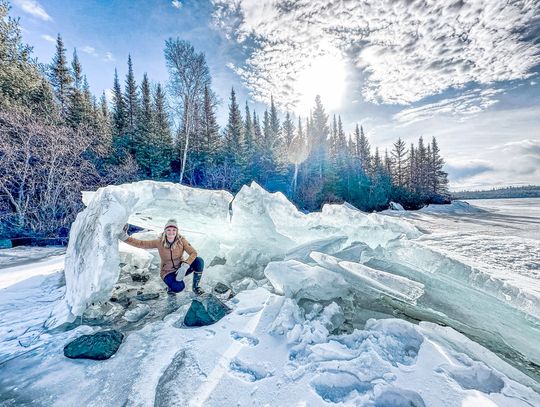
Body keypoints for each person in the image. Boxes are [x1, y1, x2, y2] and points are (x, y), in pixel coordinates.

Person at [118, 219, 205, 295]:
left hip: (181, 269)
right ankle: (171, 287)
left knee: (199, 261)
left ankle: (195, 287)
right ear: (165, 231)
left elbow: (193, 252)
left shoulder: (182, 241)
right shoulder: (159, 242)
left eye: (174, 230)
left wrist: (186, 265)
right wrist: (125, 238)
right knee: (178, 287)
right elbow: (141, 243)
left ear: (177, 231)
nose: (171, 232)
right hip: (167, 272)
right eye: (169, 230)